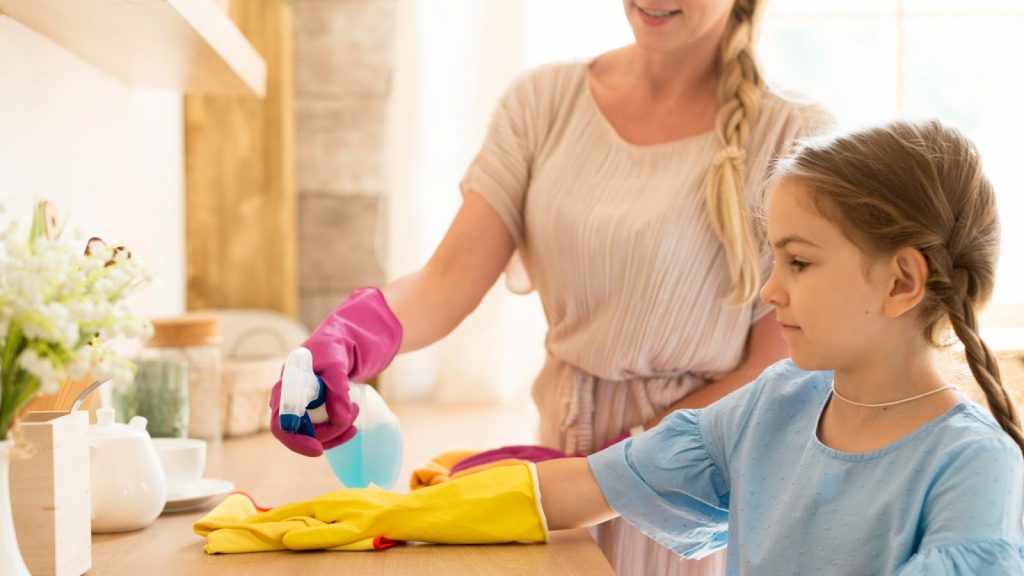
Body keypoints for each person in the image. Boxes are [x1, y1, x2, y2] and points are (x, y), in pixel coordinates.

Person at [203, 119, 1023, 574]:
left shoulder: (972, 467)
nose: (769, 292)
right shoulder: (773, 409)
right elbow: (576, 490)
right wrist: (381, 516)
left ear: (902, 282)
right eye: (773, 256)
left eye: (798, 262)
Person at [269, 1, 832, 573]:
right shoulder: (542, 103)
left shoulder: (795, 137)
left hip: (682, 483)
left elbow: (776, 370)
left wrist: (614, 467)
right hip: (551, 471)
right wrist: (349, 340)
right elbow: (447, 279)